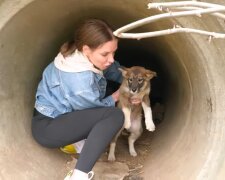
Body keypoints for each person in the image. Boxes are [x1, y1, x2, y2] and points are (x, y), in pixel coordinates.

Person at [31, 19, 125, 180]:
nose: (111, 59)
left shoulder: (80, 55)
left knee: (108, 96)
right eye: (105, 54)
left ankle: (81, 145)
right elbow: (96, 111)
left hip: (59, 117)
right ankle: (78, 176)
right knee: (114, 116)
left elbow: (113, 71)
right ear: (86, 49)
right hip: (48, 128)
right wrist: (118, 95)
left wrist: (129, 81)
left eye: (113, 52)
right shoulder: (79, 79)